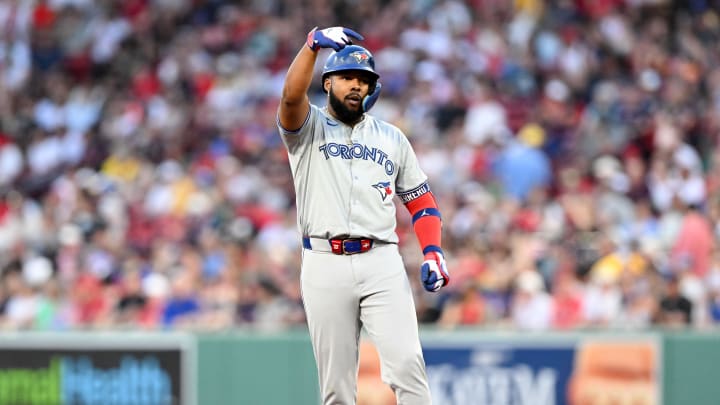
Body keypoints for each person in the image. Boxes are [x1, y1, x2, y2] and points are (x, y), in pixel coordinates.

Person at [276, 26, 450, 404]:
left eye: (363, 80)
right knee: (337, 388)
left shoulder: (392, 138)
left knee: (408, 368)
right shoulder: (309, 129)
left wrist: (433, 250)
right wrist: (310, 47)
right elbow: (291, 98)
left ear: (374, 88)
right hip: (324, 260)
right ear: (327, 83)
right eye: (346, 78)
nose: (355, 86)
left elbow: (421, 202)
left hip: (381, 260)